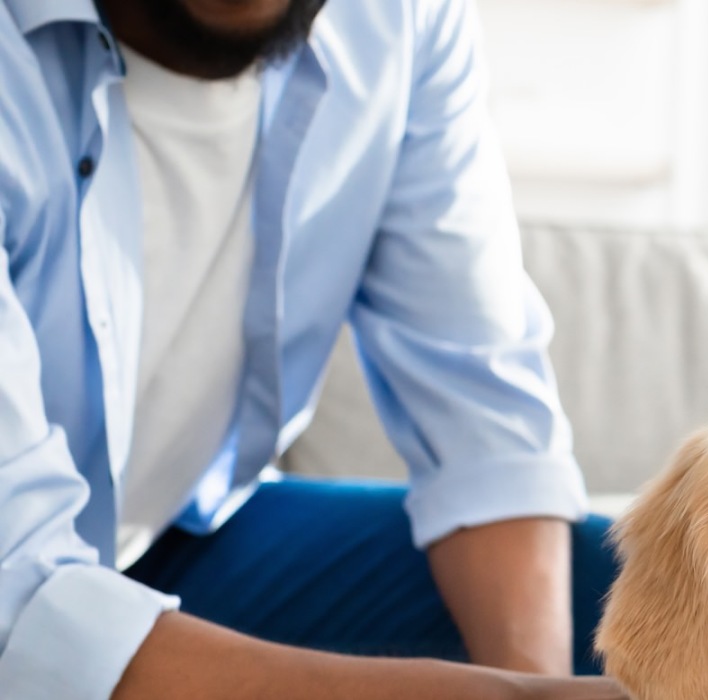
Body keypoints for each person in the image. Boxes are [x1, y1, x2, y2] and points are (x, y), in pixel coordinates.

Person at [0, 0, 629, 698]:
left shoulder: (402, 22)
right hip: (23, 581)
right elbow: (20, 604)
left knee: (632, 594)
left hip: (166, 547)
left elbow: (489, 435)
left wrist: (532, 682)